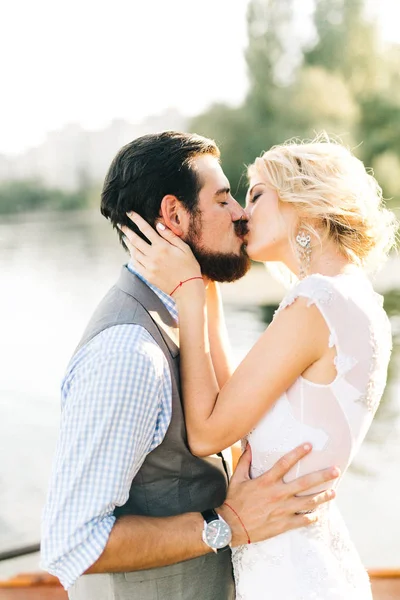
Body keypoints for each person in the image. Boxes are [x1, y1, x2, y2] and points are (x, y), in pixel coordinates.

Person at [40, 132, 338, 600]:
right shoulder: (128, 355)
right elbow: (71, 543)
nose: (241, 213)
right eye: (223, 201)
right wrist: (227, 525)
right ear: (175, 216)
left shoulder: (182, 310)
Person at [120, 135, 398, 600]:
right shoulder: (347, 296)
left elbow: (209, 434)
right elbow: (234, 409)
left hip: (290, 579)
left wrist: (187, 292)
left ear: (303, 199)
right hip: (303, 565)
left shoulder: (317, 303)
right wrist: (205, 286)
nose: (243, 214)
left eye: (256, 194)